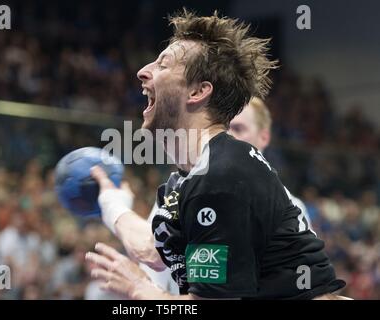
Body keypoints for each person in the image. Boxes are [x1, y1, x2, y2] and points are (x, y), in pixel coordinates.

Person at [85, 10, 347, 299]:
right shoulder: (188, 180)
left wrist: (138, 289)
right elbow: (151, 248)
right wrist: (111, 202)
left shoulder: (221, 175)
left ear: (197, 91)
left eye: (163, 64)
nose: (142, 71)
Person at [228, 97, 314, 233]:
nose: (228, 136)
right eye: (223, 128)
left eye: (238, 129)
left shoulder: (290, 208)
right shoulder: (192, 195)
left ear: (264, 137)